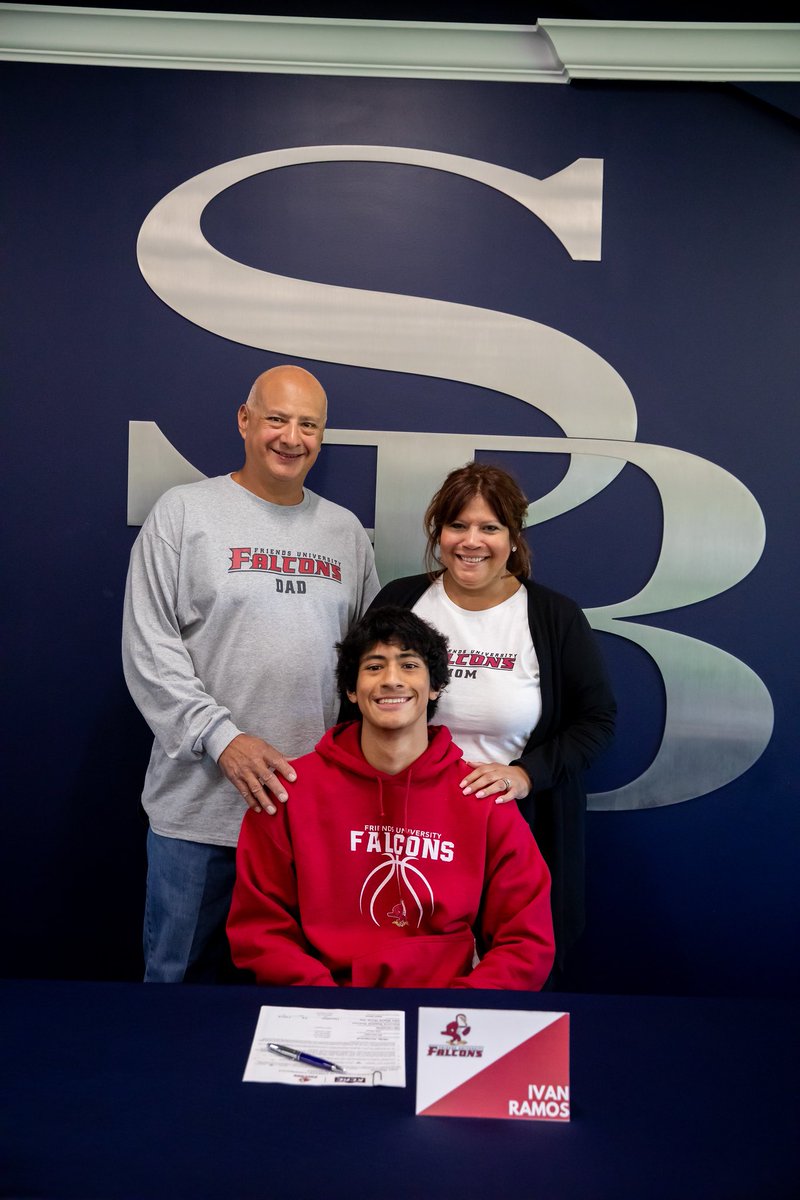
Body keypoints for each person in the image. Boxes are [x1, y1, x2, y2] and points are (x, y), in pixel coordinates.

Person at [123, 364, 379, 982]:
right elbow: (148, 649)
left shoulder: (344, 532)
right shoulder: (184, 514)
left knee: (297, 1011)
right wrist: (224, 738)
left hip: (307, 822)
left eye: (309, 424)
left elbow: (370, 667)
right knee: (176, 995)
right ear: (245, 421)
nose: (292, 437)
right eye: (277, 418)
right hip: (198, 819)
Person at [366, 463, 615, 975]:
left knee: (511, 982)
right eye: (457, 525)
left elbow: (597, 721)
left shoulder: (553, 616)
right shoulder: (401, 601)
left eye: (489, 527)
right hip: (406, 835)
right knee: (401, 978)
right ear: (438, 532)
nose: (470, 542)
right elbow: (357, 704)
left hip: (515, 833)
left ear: (513, 536)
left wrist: (526, 775)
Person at [227, 607, 555, 990]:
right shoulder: (290, 792)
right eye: (374, 667)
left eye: (410, 665)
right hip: (325, 1007)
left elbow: (525, 940)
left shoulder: (480, 796)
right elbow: (260, 931)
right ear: (351, 689)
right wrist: (328, 1006)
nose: (392, 680)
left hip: (446, 1012)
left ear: (435, 686)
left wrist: (454, 1013)